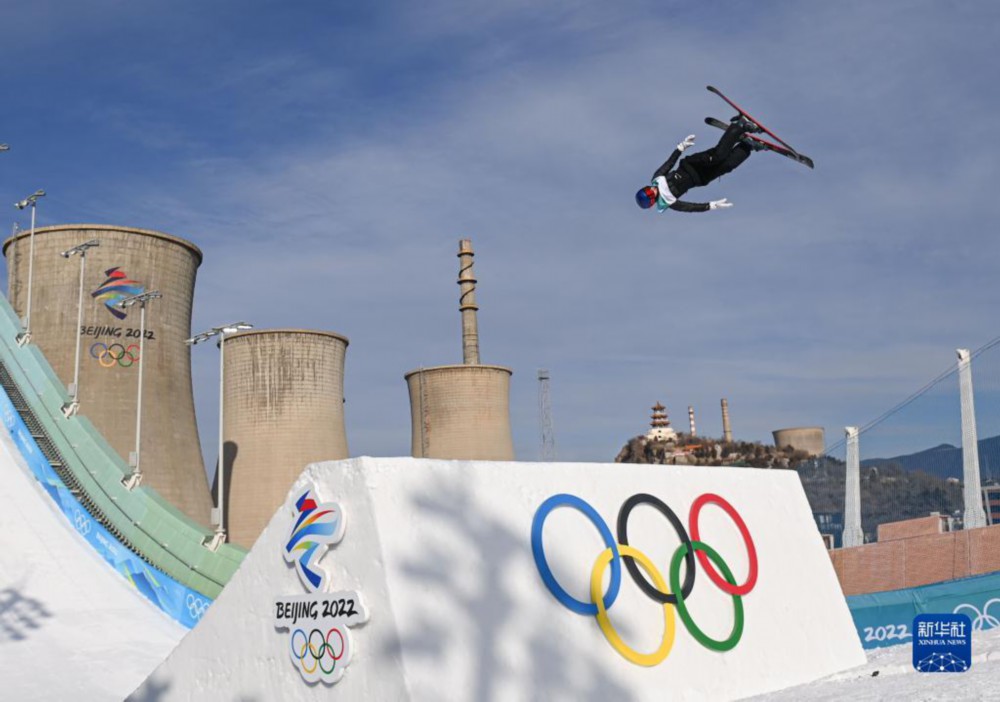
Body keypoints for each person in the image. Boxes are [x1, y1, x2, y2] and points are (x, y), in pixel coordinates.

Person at [635, 116, 762, 214]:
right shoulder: (670, 202)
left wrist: (680, 148)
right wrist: (710, 206)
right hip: (701, 178)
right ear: (652, 200)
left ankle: (740, 124)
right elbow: (690, 207)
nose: (651, 189)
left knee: (718, 156)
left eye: (646, 189)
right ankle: (747, 146)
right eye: (649, 193)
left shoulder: (656, 179)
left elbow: (669, 163)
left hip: (691, 164)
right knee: (727, 166)